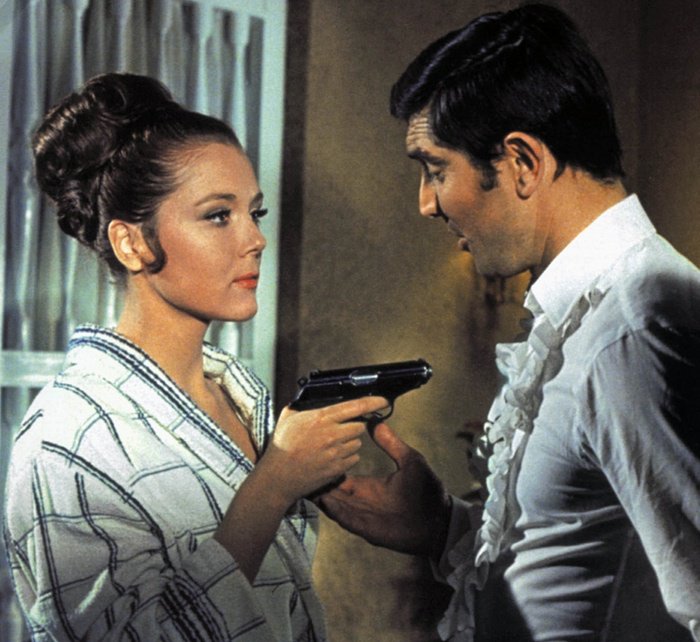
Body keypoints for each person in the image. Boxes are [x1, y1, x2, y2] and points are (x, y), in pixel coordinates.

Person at [318, 4, 700, 642]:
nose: (426, 203)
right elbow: (574, 557)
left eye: (436, 170)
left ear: (523, 162)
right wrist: (440, 528)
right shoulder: (590, 318)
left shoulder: (633, 331)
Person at [3, 72, 387, 641]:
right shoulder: (69, 441)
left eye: (254, 213)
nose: (255, 240)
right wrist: (272, 485)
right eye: (217, 215)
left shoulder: (240, 396)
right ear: (132, 242)